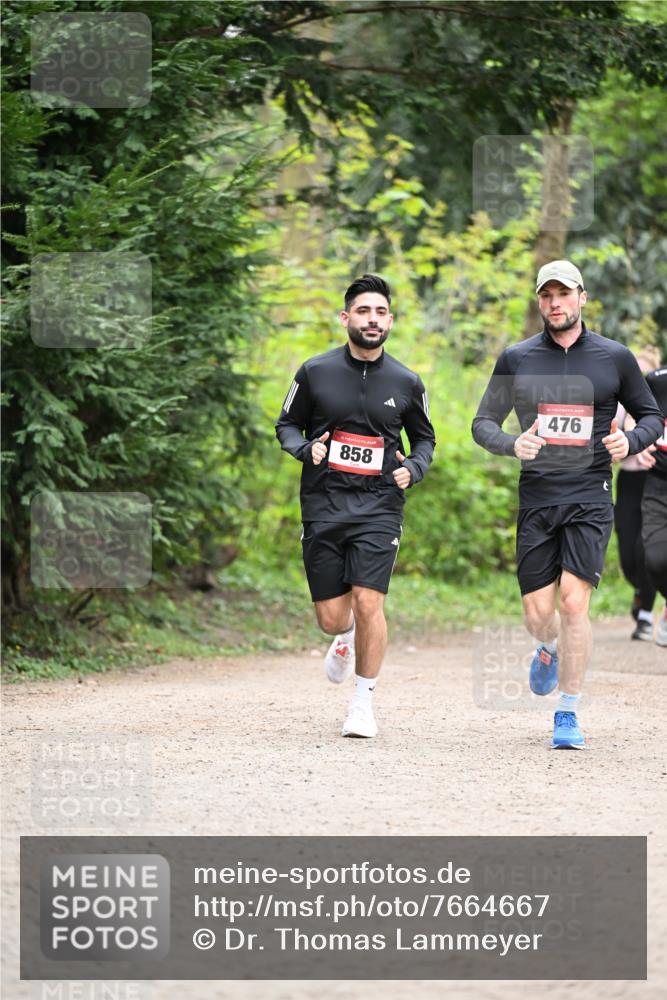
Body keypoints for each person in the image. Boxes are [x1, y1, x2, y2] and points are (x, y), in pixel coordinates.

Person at [472, 260, 663, 748]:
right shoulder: (516, 358)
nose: (555, 303)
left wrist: (631, 440)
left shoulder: (614, 357)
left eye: (563, 293)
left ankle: (568, 712)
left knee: (575, 601)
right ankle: (548, 647)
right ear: (539, 302)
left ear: (582, 297)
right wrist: (513, 443)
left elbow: (651, 416)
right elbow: (483, 424)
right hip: (538, 495)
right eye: (546, 295)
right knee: (539, 613)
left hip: (590, 493)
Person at [275, 274, 435, 738]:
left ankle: (363, 704)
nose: (373, 319)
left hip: (380, 505)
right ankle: (344, 639)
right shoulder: (314, 372)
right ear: (346, 318)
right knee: (332, 618)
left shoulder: (406, 381)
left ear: (391, 321)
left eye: (381, 312)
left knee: (369, 601)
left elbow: (424, 439)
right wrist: (306, 450)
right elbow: (287, 424)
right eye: (364, 311)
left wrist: (415, 468)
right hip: (323, 504)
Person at [613, 347, 662, 641]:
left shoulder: (661, 401)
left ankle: (645, 616)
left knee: (645, 549)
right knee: (627, 556)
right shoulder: (619, 402)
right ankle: (640, 590)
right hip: (628, 482)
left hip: (655, 480)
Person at [641, 362, 667, 646]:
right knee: (657, 561)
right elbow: (630, 415)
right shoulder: (657, 381)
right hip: (659, 484)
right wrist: (639, 438)